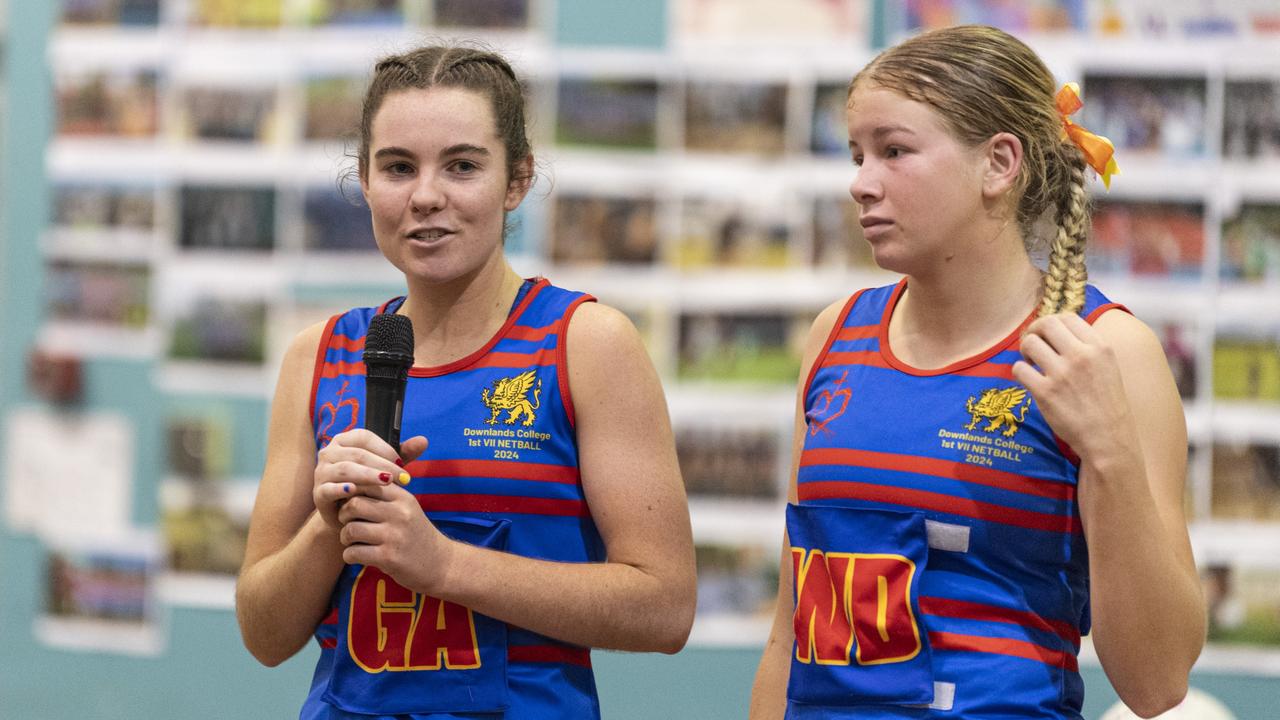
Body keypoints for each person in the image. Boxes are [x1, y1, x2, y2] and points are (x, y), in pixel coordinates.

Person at [749, 25, 1204, 719]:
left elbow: (1157, 683)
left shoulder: (1103, 349)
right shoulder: (834, 335)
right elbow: (790, 636)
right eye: (857, 154)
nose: (860, 183)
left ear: (999, 163)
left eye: (894, 151)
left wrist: (1108, 450)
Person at [235, 45, 697, 719]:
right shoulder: (321, 354)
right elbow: (264, 633)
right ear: (365, 182)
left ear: (516, 180)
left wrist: (444, 566)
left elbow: (665, 608)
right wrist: (329, 528)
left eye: (462, 165)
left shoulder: (585, 343)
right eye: (398, 167)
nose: (426, 196)